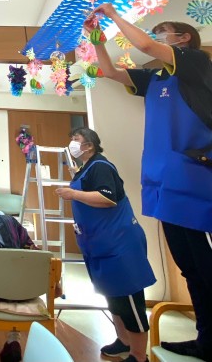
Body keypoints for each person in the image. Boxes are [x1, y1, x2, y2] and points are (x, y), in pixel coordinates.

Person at [89, 4, 212, 362]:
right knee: (190, 268)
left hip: (191, 178)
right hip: (163, 181)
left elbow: (143, 45)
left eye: (162, 32)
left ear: (183, 39)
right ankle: (205, 339)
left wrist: (114, 15)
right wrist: (96, 38)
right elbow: (109, 71)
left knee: (204, 267)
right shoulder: (156, 78)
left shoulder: (195, 63)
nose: (156, 37)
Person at [56, 128, 155, 362]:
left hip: (119, 244)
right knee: (113, 298)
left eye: (76, 140)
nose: (72, 144)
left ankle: (139, 355)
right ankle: (123, 341)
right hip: (100, 245)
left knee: (129, 301)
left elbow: (107, 198)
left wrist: (73, 194)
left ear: (89, 145)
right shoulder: (86, 169)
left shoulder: (100, 166)